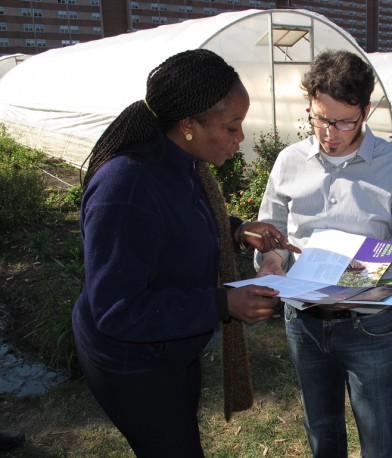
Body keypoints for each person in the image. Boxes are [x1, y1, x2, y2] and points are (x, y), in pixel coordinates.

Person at [72, 49, 300, 458]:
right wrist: (222, 303)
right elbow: (116, 309)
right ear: (189, 124)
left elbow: (179, 219)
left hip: (169, 344)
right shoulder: (125, 189)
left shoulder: (180, 161)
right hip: (133, 362)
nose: (241, 138)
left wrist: (236, 228)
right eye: (232, 127)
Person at [254, 49, 392, 457]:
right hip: (302, 321)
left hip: (369, 325)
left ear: (366, 111)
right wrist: (270, 260)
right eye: (319, 118)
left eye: (344, 122)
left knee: (381, 437)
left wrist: (360, 284)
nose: (329, 132)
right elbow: (273, 232)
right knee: (321, 430)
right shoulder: (288, 162)